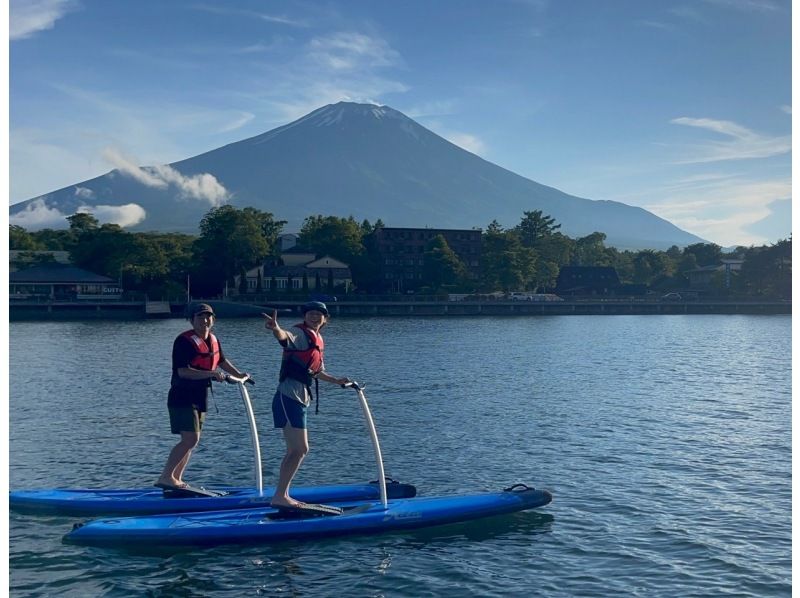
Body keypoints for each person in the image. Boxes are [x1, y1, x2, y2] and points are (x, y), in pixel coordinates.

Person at [263, 301, 350, 508]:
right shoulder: (299, 333)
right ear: (305, 316)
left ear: (325, 319)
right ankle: (280, 496)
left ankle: (281, 494)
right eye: (311, 313)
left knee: (296, 450)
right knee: (300, 449)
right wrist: (276, 329)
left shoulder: (318, 339)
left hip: (301, 398)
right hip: (288, 396)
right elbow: (285, 338)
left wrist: (337, 381)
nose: (314, 317)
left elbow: (316, 371)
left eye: (319, 314)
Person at [155, 303, 249, 490]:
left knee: (192, 441)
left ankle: (176, 479)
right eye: (200, 317)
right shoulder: (183, 341)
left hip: (200, 396)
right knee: (190, 439)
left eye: (209, 317)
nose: (205, 321)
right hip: (182, 396)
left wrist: (239, 375)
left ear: (213, 319)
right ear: (191, 320)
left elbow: (221, 360)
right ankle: (166, 477)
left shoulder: (213, 339)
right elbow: (183, 371)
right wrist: (212, 374)